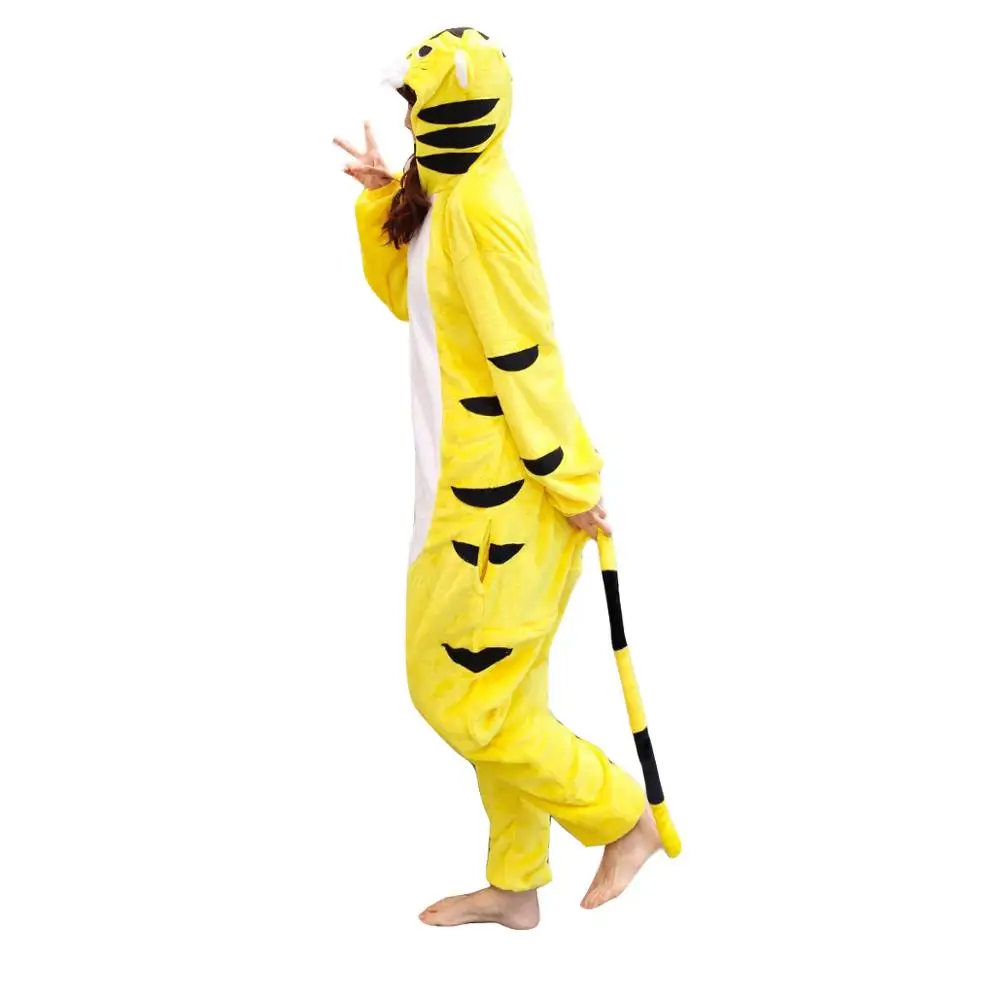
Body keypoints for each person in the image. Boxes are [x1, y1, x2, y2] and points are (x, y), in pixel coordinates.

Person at [334, 27, 661, 929]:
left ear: (454, 107)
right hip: (461, 491)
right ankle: (517, 885)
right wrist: (382, 200)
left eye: (417, 105)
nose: (408, 120)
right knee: (503, 696)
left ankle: (621, 816)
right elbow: (414, 305)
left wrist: (571, 480)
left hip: (498, 509)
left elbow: (527, 355)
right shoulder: (450, 193)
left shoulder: (483, 209)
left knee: (455, 695)